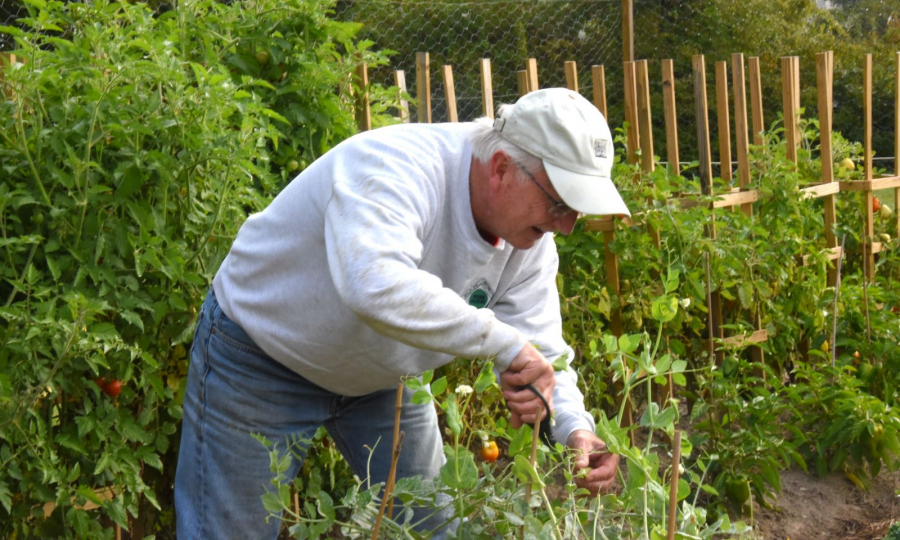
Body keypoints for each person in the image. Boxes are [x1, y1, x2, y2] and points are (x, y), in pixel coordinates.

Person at [174, 87, 629, 539]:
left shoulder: (529, 242)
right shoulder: (395, 165)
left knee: (434, 528)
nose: (566, 226)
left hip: (381, 380)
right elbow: (374, 283)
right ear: (502, 168)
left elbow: (543, 349)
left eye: (576, 210)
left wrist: (574, 430)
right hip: (261, 357)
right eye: (559, 203)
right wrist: (506, 346)